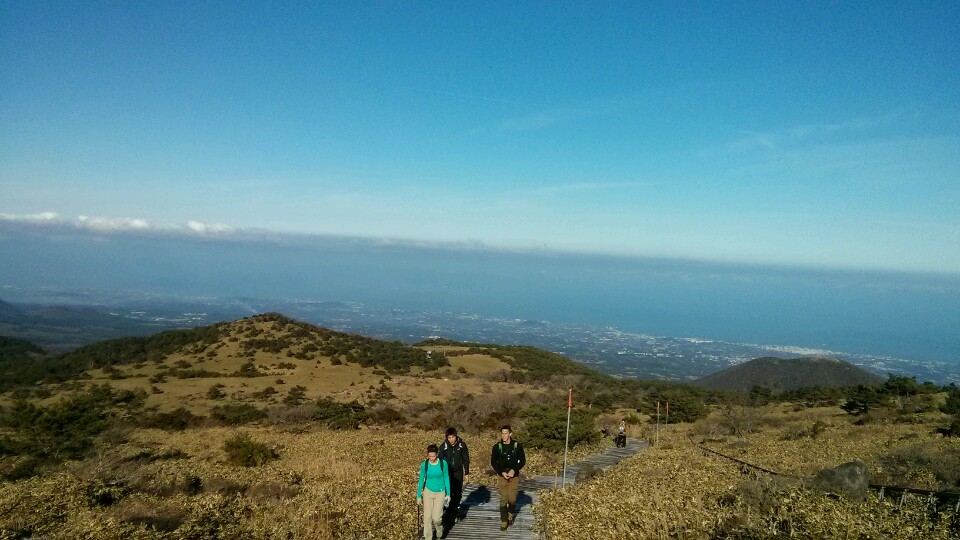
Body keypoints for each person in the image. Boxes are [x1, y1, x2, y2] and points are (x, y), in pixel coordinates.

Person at [490, 425, 525, 531]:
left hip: (514, 475)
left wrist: (514, 470)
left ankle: (510, 513)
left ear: (510, 434)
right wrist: (501, 472)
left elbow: (522, 460)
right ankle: (504, 520)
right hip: (502, 475)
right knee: (503, 498)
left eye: (506, 433)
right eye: (502, 433)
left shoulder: (517, 446)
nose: (504, 435)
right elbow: (493, 462)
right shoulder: (497, 447)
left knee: (512, 499)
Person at [417, 444, 451, 540]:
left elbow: (446, 478)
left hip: (440, 492)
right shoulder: (425, 464)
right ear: (427, 455)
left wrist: (448, 494)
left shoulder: (443, 463)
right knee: (427, 518)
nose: (432, 458)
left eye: (434, 456)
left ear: (437, 454)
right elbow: (421, 480)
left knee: (436, 518)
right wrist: (418, 495)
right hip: (428, 491)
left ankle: (439, 532)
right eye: (430, 456)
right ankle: (428, 537)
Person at [437, 427, 470, 527]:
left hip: (458, 472)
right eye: (449, 437)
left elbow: (465, 458)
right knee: (447, 492)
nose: (451, 439)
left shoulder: (462, 445)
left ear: (456, 436)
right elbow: (439, 461)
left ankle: (454, 510)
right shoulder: (443, 447)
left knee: (457, 492)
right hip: (447, 473)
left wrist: (467, 472)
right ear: (447, 437)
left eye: (453, 437)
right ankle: (447, 511)